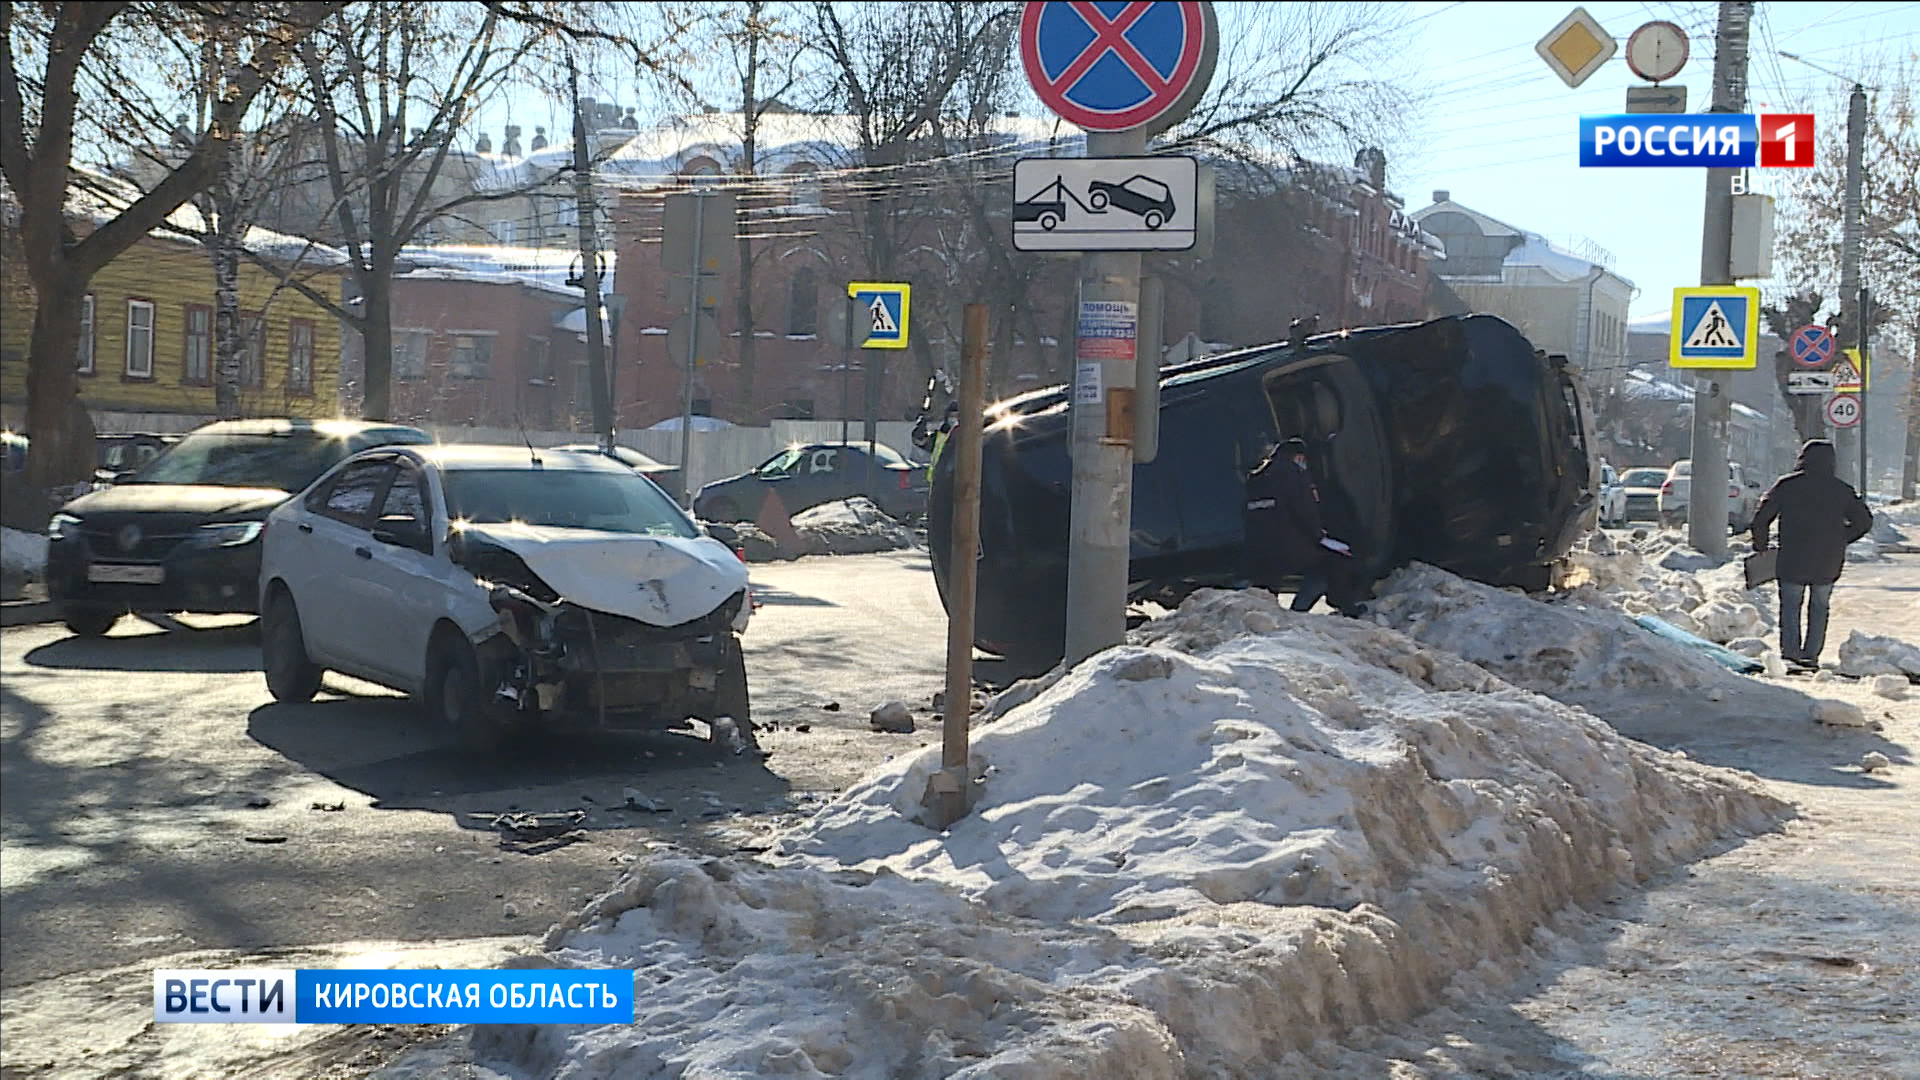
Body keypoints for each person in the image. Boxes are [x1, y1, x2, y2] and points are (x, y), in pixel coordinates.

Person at [1750, 439, 1874, 671]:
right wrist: (1842, 538)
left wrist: (1761, 546)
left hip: (1792, 556)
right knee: (1819, 607)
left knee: (1790, 606)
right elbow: (1864, 521)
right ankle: (1811, 656)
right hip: (1828, 559)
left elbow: (1761, 518)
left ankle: (1791, 654)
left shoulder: (1786, 485)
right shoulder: (1841, 489)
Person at [1243, 437, 1359, 614]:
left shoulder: (1255, 478)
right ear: (1298, 456)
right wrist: (1320, 536)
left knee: (1268, 577)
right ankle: (1309, 611)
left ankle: (1267, 614)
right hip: (1288, 548)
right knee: (1333, 563)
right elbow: (1305, 511)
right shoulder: (1293, 474)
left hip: (1257, 550)